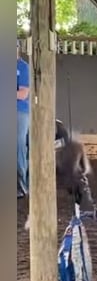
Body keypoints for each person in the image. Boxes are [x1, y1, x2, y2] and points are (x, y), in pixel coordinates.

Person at [17, 39, 30, 199]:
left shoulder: (23, 67)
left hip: (19, 111)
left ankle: (22, 185)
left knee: (18, 144)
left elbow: (23, 94)